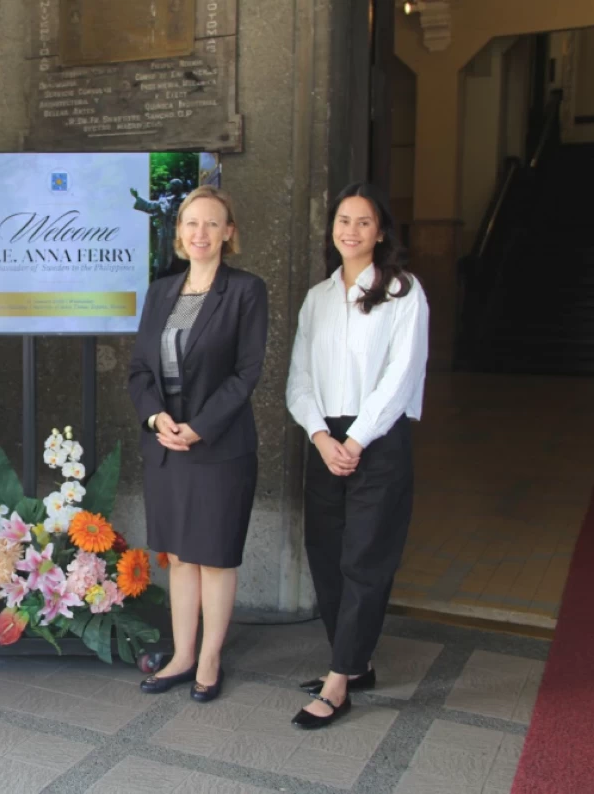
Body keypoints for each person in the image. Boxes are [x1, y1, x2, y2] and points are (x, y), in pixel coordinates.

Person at [285, 182, 429, 730]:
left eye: (363, 222)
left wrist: (357, 439)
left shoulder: (402, 292)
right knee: (324, 552)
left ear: (381, 231)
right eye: (343, 220)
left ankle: (339, 680)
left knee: (365, 559)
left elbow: (400, 377)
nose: (351, 231)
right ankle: (356, 660)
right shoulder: (318, 297)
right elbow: (299, 379)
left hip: (379, 438)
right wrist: (322, 438)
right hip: (325, 440)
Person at [127, 186, 269, 702]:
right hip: (167, 446)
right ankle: (183, 654)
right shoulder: (161, 291)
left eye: (212, 224)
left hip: (218, 445)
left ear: (229, 232)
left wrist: (200, 426)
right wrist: (156, 419)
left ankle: (210, 658)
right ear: (180, 232)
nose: (200, 233)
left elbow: (246, 372)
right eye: (191, 224)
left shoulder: (246, 291)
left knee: (213, 556)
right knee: (180, 557)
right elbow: (141, 370)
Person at [132, 177, 189, 278]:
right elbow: (149, 206)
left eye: (173, 186)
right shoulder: (165, 201)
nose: (171, 187)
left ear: (179, 187)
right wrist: (137, 197)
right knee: (164, 258)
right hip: (165, 235)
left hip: (181, 236)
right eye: (171, 185)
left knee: (180, 259)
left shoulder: (187, 202)